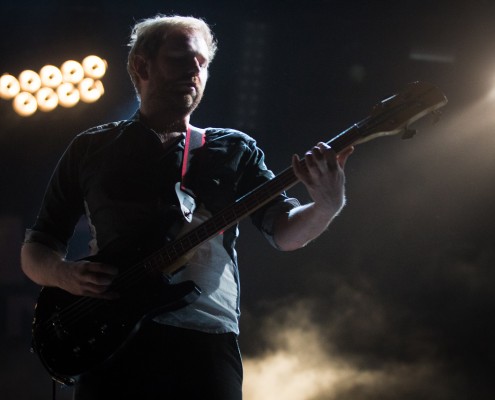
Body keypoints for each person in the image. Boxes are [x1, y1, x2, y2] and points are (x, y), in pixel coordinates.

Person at [21, 14, 353, 400]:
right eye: (181, 59)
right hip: (109, 338)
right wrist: (64, 275)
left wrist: (326, 205)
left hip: (205, 339)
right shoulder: (91, 148)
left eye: (202, 63)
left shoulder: (233, 149)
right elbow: (36, 250)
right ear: (141, 66)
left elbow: (285, 233)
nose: (194, 71)